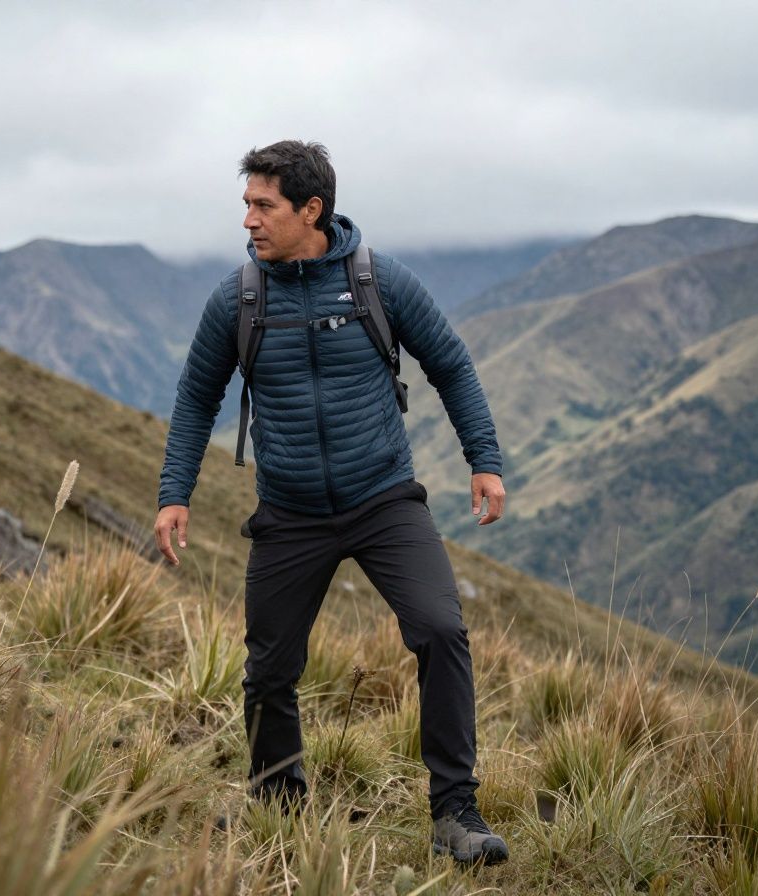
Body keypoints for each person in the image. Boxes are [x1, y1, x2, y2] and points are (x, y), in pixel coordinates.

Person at [154, 140, 508, 865]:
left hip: (384, 500)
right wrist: (173, 495)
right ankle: (279, 806)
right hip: (288, 512)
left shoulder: (380, 282)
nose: (248, 220)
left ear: (310, 210)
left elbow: (451, 365)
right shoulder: (239, 298)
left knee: (441, 631)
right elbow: (196, 398)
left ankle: (455, 812)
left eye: (263, 205)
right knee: (269, 668)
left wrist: (485, 462)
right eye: (247, 204)